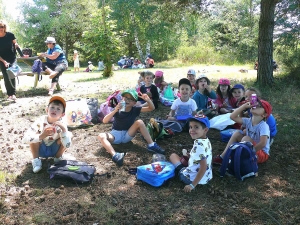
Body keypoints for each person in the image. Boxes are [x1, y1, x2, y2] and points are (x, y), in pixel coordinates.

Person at [97, 89, 165, 166]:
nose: (127, 100)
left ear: (134, 102)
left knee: (139, 122)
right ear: (122, 99)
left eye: (130, 99)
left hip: (128, 134)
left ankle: (151, 145)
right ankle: (115, 155)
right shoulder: (118, 109)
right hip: (115, 135)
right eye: (125, 97)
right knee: (101, 136)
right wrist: (115, 110)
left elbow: (151, 108)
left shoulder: (135, 109)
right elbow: (105, 121)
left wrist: (148, 100)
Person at [213, 99, 272, 165]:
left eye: (259, 106)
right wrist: (243, 106)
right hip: (249, 147)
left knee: (246, 138)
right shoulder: (248, 121)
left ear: (264, 115)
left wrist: (251, 152)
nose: (255, 106)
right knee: (237, 133)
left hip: (261, 153)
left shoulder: (263, 126)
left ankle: (238, 159)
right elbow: (232, 117)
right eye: (256, 104)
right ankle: (223, 157)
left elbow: (263, 144)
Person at [22, 96, 73, 173]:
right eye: (52, 107)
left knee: (69, 134)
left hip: (55, 149)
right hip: (40, 149)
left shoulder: (62, 123)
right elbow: (24, 139)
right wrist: (42, 136)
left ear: (62, 114)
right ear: (47, 109)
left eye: (58, 109)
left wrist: (64, 130)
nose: (54, 110)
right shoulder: (40, 121)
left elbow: (67, 145)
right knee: (35, 134)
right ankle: (36, 160)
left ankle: (58, 157)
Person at [170, 115, 212, 192]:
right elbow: (203, 157)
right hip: (206, 177)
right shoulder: (206, 140)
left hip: (190, 178)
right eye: (190, 127)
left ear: (205, 130)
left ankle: (179, 169)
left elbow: (203, 167)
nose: (192, 130)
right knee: (180, 158)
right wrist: (191, 156)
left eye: (196, 127)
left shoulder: (199, 146)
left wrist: (192, 185)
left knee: (173, 156)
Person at [0, 20, 20, 101]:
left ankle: (13, 94)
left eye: (2, 26)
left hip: (12, 58)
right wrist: (4, 62)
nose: (0, 28)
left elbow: (16, 44)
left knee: (12, 74)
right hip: (1, 59)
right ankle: (9, 94)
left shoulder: (10, 35)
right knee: (6, 75)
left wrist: (22, 54)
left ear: (5, 27)